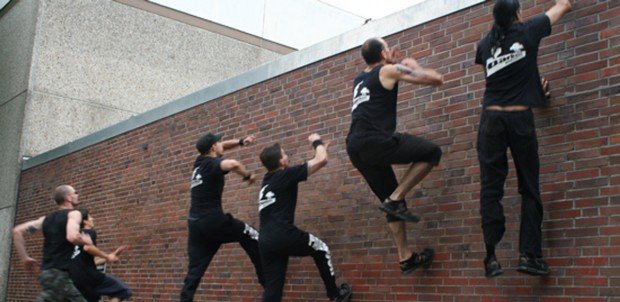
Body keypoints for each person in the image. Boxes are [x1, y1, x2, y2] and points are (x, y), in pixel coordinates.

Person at [475, 0, 572, 278]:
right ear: (517, 14)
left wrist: (533, 90)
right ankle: (529, 255)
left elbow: (504, 76)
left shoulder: (485, 45)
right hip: (518, 118)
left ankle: (491, 257)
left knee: (490, 190)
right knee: (529, 187)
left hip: (491, 120)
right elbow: (563, 5)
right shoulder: (528, 29)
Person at [346, 37, 444, 275]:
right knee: (431, 152)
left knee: (392, 204)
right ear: (382, 52)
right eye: (387, 48)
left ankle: (406, 257)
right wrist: (414, 66)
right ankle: (395, 199)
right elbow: (436, 80)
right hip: (374, 140)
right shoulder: (388, 70)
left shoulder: (360, 78)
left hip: (355, 147)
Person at [258, 133, 351, 302]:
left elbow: (312, 163)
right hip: (283, 234)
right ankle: (335, 295)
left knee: (273, 291)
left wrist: (318, 154)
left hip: (265, 241)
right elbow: (322, 160)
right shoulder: (285, 175)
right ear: (281, 162)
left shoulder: (267, 180)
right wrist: (317, 141)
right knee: (321, 249)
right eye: (285, 154)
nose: (287, 156)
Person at [180, 133, 264, 301]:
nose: (221, 145)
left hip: (195, 224)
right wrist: (247, 175)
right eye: (217, 143)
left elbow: (223, 145)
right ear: (212, 147)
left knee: (195, 270)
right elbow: (233, 164)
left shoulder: (199, 162)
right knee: (251, 235)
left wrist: (241, 142)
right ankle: (268, 282)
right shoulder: (212, 164)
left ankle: (185, 299)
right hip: (213, 221)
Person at [12, 185, 93, 302]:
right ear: (68, 198)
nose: (77, 195)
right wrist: (85, 240)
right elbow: (72, 236)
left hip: (46, 274)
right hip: (58, 276)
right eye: (75, 192)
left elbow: (17, 231)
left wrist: (24, 258)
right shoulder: (74, 214)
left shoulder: (45, 219)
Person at [69, 208, 132, 302]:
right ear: (85, 221)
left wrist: (110, 255)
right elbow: (88, 248)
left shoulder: (75, 239)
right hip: (89, 276)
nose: (92, 219)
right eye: (90, 217)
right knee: (123, 291)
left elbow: (90, 261)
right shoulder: (89, 232)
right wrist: (107, 256)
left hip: (75, 280)